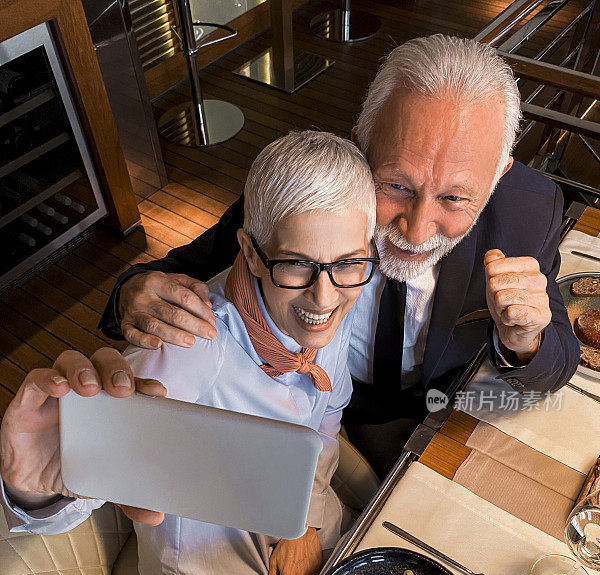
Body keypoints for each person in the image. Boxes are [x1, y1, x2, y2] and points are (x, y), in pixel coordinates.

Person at [98, 35, 580, 477]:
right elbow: (169, 276)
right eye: (395, 185)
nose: (415, 229)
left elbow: (558, 362)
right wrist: (130, 296)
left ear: (497, 178)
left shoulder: (530, 213)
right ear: (359, 145)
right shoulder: (301, 201)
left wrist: (525, 340)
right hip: (326, 421)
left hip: (454, 414)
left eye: (454, 199)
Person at [0, 131, 378, 575]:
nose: (323, 297)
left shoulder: (339, 305)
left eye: (347, 263)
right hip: (201, 564)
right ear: (247, 249)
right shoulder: (191, 343)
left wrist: (306, 523)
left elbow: (326, 417)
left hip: (293, 507)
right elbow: (78, 474)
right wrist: (28, 492)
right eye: (295, 265)